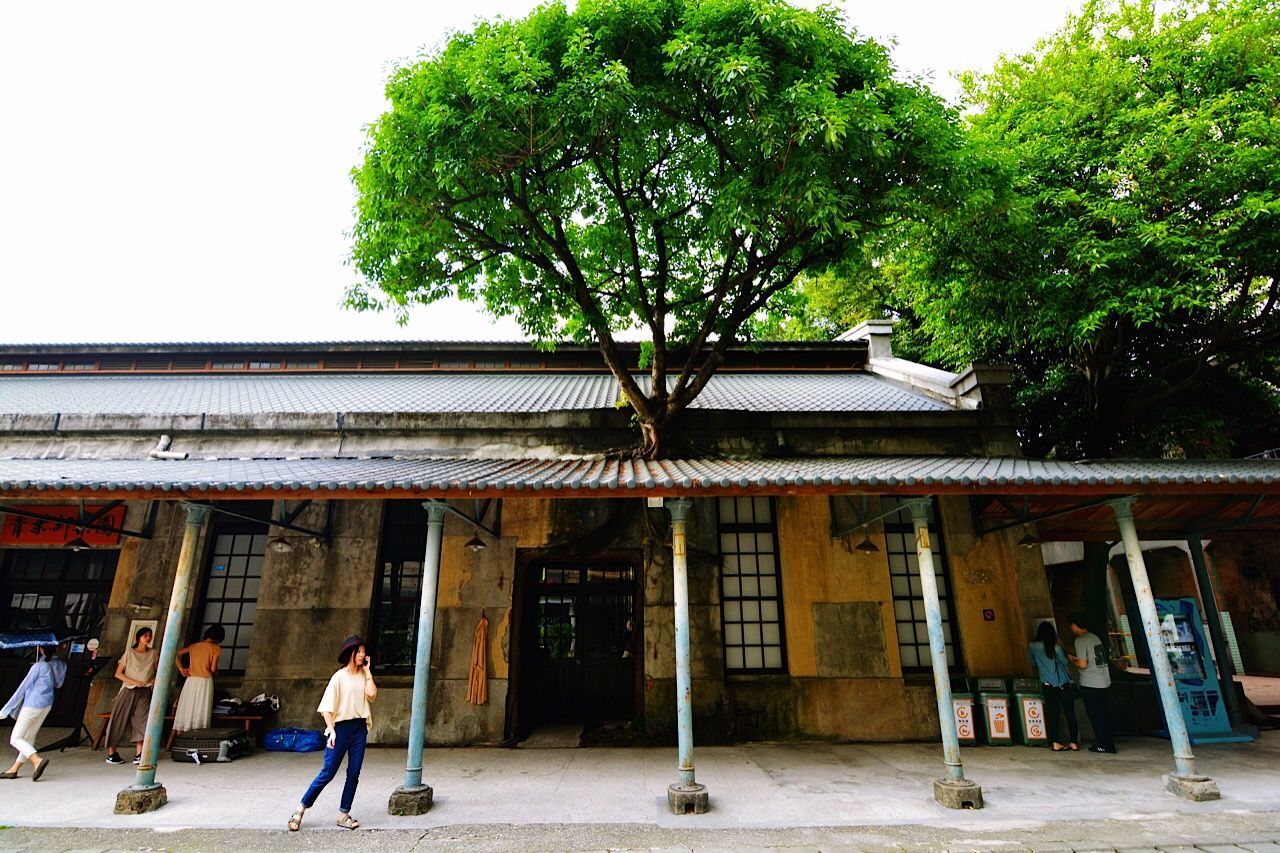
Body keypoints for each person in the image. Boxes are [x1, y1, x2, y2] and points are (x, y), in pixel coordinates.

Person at [288, 635, 377, 832]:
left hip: (359, 728)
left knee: (354, 773)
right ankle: (300, 808)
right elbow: (326, 708)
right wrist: (332, 731)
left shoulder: (364, 675)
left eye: (364, 652)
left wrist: (368, 672)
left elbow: (372, 695)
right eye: (359, 652)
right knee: (328, 772)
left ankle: (344, 814)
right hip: (340, 728)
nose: (363, 655)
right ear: (350, 654)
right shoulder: (339, 677)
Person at [0, 644, 68, 781]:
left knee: (16, 738)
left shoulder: (38, 666)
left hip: (32, 704)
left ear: (41, 649)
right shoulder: (61, 664)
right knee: (29, 737)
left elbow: (23, 687)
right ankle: (14, 769)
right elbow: (58, 685)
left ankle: (37, 760)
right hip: (47, 704)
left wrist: (5, 709)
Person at [104, 626, 157, 766]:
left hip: (144, 691)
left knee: (142, 721)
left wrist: (152, 680)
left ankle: (139, 754)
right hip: (128, 689)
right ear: (138, 638)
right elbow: (118, 673)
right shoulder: (129, 653)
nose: (148, 638)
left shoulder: (153, 653)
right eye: (145, 635)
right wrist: (134, 682)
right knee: (118, 719)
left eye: (150, 635)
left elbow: (156, 671)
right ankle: (111, 753)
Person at [1067, 612, 1117, 754]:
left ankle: (1104, 744)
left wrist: (1072, 660)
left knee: (1096, 715)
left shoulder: (1081, 640)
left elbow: (1082, 663)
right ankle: (1107, 742)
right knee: (1103, 714)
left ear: (1075, 625)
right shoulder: (1094, 637)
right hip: (1104, 681)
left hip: (1091, 683)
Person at [1028, 620, 1079, 751]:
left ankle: (1055, 742)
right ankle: (1073, 742)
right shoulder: (1055, 648)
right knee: (1070, 714)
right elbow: (1064, 662)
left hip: (1047, 685)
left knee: (1052, 714)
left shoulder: (1032, 646)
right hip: (1063, 684)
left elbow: (1033, 663)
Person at [173, 624, 224, 735]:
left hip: (191, 681)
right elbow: (213, 668)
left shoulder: (194, 646)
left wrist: (182, 668)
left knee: (187, 705)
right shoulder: (216, 649)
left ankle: (182, 733)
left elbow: (175, 654)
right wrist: (217, 672)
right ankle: (198, 734)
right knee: (201, 708)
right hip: (204, 681)